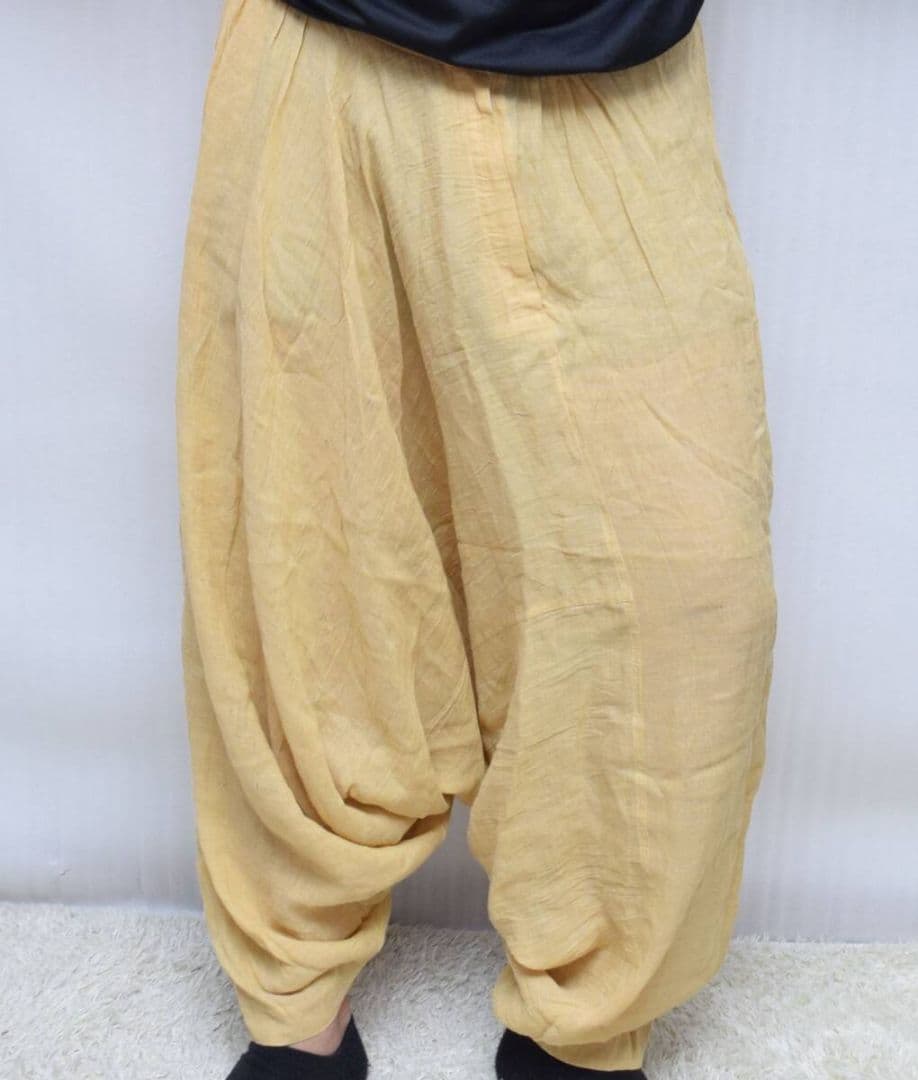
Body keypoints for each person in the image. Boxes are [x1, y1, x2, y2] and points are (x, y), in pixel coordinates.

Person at [174, 0, 778, 1077]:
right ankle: (297, 1004)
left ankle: (586, 1023)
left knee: (676, 590)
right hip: (320, 53)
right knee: (311, 557)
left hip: (609, 72)